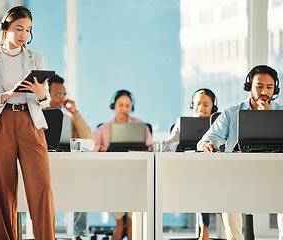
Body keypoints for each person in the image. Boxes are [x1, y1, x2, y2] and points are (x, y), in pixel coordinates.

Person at [0, 6, 55, 240]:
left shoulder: (36, 58)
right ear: (6, 28)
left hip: (30, 123)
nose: (23, 35)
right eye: (19, 28)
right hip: (1, 126)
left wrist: (41, 93)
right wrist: (5, 95)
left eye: (28, 30)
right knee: (2, 192)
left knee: (41, 189)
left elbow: (45, 100)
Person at [197, 65, 283, 240]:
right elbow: (206, 140)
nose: (264, 92)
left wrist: (271, 118)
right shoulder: (231, 113)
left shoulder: (280, 113)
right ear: (249, 86)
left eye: (269, 87)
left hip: (274, 173)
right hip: (239, 172)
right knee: (228, 189)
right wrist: (207, 143)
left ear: (275, 89)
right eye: (259, 86)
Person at [93, 89, 153, 240]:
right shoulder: (104, 128)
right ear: (114, 106)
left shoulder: (140, 126)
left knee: (137, 186)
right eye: (121, 105)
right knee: (115, 183)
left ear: (132, 107)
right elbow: (91, 147)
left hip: (135, 172)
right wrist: (107, 149)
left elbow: (150, 148)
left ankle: (131, 224)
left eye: (128, 105)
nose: (124, 108)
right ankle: (119, 224)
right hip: (113, 172)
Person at [164, 88, 219, 240]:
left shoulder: (218, 124)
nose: (201, 107)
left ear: (213, 108)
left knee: (204, 182)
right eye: (198, 103)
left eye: (206, 104)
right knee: (201, 182)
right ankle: (204, 230)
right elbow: (168, 146)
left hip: (213, 169)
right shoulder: (181, 123)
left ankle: (205, 229)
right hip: (187, 169)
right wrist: (182, 147)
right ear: (192, 105)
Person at [47, 74, 94, 240]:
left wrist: (75, 113)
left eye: (64, 95)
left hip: (67, 168)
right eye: (57, 94)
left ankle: (79, 234)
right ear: (47, 93)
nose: (61, 98)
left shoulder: (69, 119)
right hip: (44, 167)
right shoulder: (37, 116)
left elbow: (89, 139)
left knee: (83, 184)